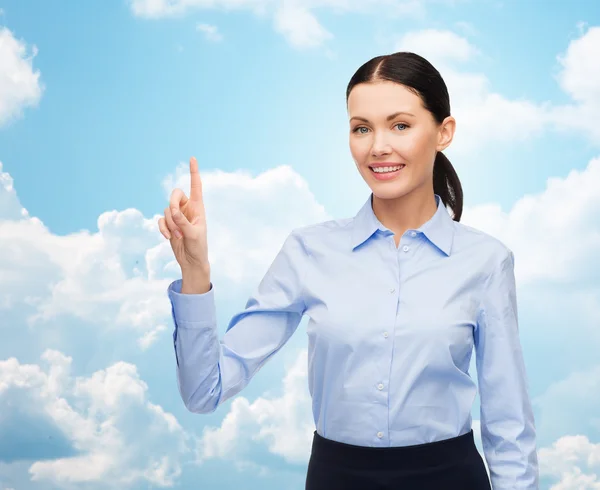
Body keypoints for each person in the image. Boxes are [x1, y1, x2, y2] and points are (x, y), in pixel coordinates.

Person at [158, 51, 539, 490]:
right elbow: (204, 391)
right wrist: (195, 272)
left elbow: (509, 425)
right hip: (337, 477)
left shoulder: (486, 261)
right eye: (362, 128)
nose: (378, 146)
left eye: (400, 125)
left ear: (443, 132)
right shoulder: (308, 251)